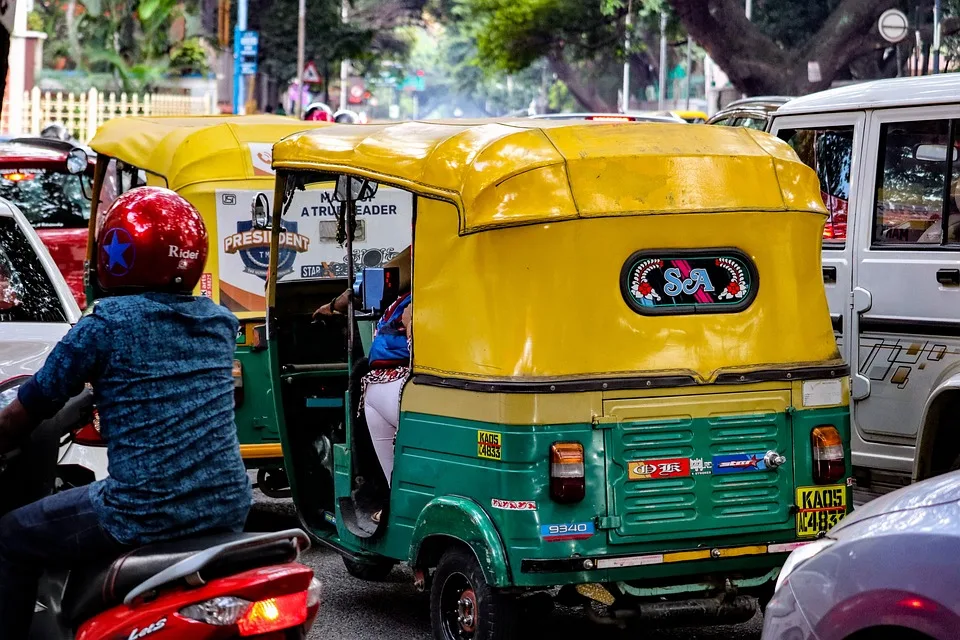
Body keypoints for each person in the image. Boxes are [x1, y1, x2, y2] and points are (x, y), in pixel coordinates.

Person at [0, 186, 252, 637]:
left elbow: (25, 412)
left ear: (117, 254)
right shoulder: (219, 322)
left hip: (141, 511)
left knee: (12, 536)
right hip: (227, 506)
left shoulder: (104, 325)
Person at [315, 246, 411, 523]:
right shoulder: (407, 291)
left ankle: (381, 495)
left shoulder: (421, 290)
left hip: (397, 380)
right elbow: (370, 287)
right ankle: (387, 496)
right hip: (392, 380)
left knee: (361, 380)